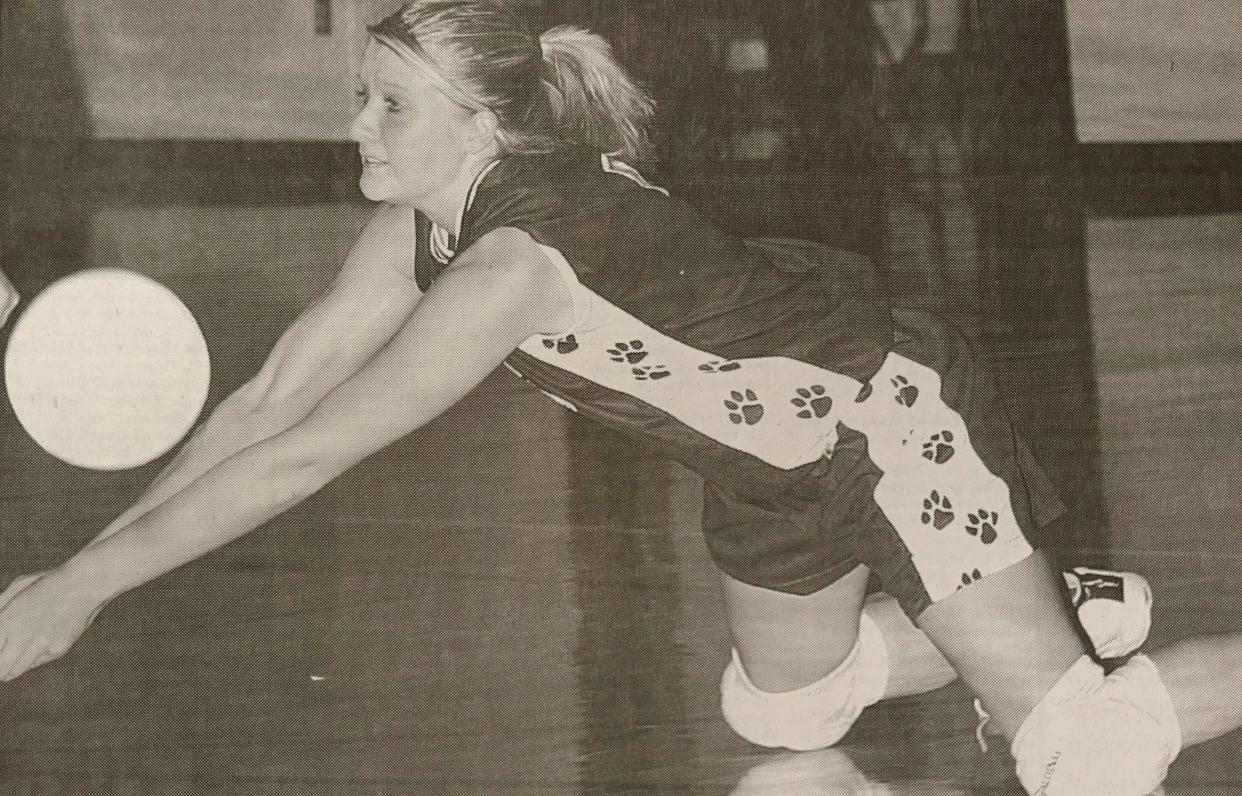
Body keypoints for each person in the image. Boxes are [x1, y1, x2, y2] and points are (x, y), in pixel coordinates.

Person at [0, 3, 1239, 793]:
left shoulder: (508, 270)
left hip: (890, 421)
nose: (357, 125)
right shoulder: (419, 229)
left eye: (390, 104)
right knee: (783, 709)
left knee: (1088, 758)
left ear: (483, 124)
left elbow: (302, 459)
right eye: (361, 94)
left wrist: (85, 590)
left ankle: (1038, 638)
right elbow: (269, 399)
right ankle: (1051, 602)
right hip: (771, 469)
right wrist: (73, 574)